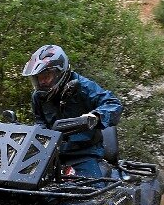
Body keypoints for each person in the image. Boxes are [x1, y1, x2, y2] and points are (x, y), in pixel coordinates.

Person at [22, 44, 123, 179]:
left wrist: (95, 116)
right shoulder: (39, 96)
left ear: (60, 72)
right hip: (51, 154)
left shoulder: (84, 87)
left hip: (84, 153)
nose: (42, 82)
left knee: (90, 192)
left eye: (46, 76)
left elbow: (113, 104)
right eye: (39, 77)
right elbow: (40, 122)